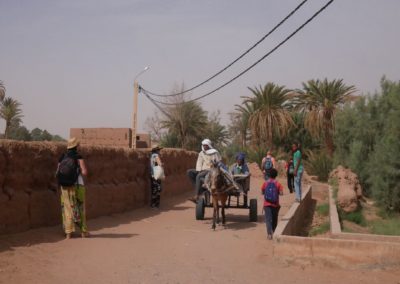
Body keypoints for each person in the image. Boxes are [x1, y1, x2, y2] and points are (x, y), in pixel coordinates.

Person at [57, 137, 89, 239]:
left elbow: (57, 172)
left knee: (67, 209)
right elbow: (84, 172)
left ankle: (68, 233)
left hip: (64, 186)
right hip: (77, 186)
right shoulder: (78, 157)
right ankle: (83, 232)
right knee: (79, 208)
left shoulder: (62, 157)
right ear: (76, 146)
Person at [187, 139, 221, 203]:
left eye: (206, 145)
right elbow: (199, 162)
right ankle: (200, 189)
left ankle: (196, 196)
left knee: (199, 176)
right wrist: (199, 170)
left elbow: (219, 162)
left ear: (209, 145)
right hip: (202, 169)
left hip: (211, 170)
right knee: (189, 172)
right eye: (204, 145)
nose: (205, 147)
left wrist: (215, 164)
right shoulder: (201, 153)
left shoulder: (214, 152)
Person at [261, 168, 283, 240]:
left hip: (267, 204)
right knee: (274, 219)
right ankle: (274, 231)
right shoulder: (278, 184)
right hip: (275, 205)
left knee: (268, 219)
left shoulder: (265, 183)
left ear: (269, 175)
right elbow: (281, 193)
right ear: (276, 175)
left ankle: (269, 234)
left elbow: (262, 192)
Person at [150, 145, 163, 209]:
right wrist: (162, 164)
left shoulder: (151, 156)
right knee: (158, 189)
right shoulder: (156, 156)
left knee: (153, 189)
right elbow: (160, 164)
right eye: (159, 150)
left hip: (152, 174)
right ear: (156, 150)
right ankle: (156, 205)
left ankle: (152, 204)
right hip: (157, 175)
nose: (159, 151)